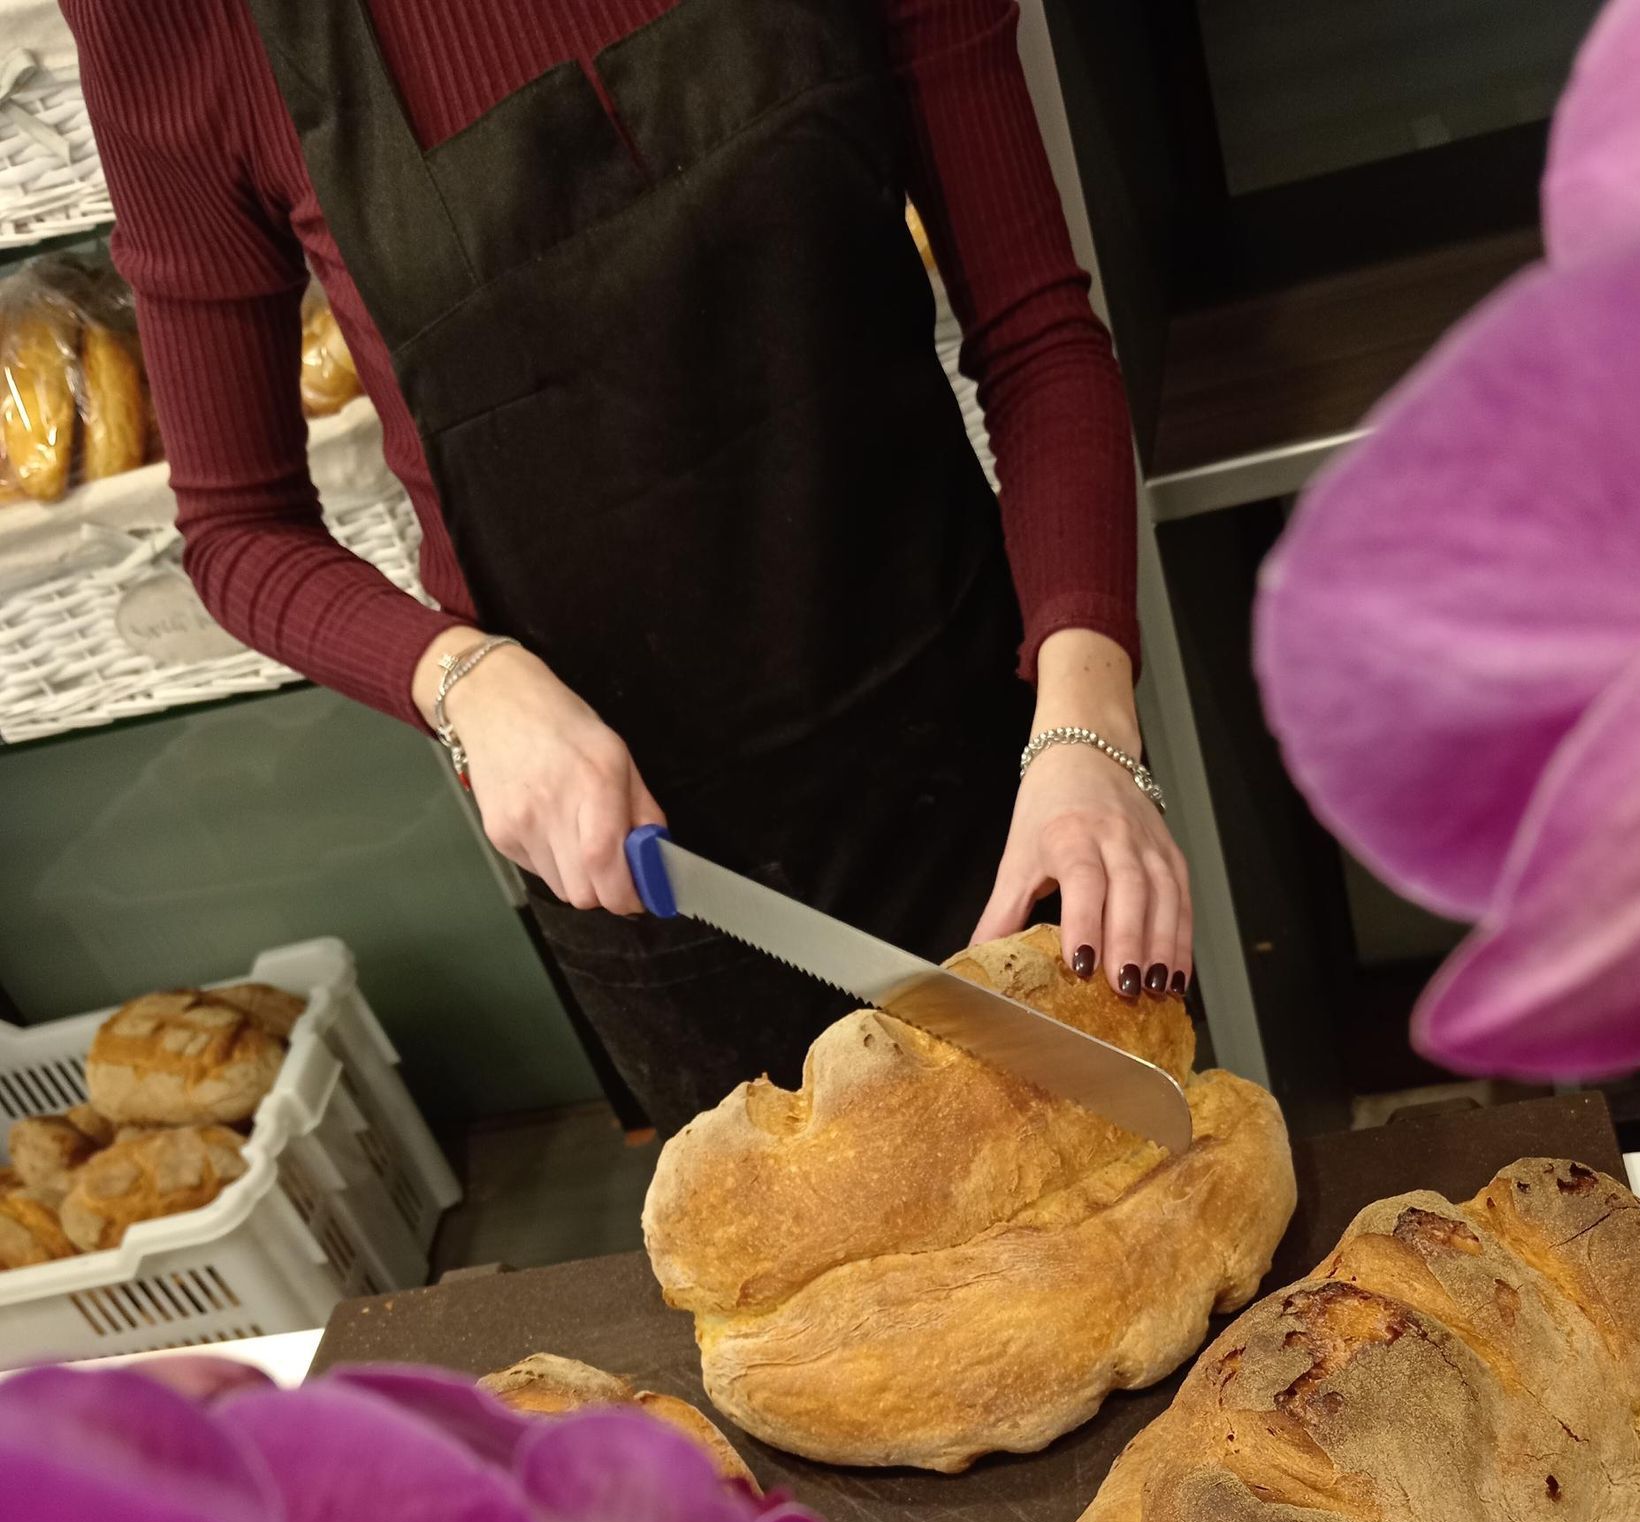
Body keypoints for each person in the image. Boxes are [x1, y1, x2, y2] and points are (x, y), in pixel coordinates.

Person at [63, 0, 1194, 1135]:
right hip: (649, 872)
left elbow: (1036, 333)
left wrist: (1088, 729)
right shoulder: (180, 22)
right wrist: (462, 679)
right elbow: (236, 530)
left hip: (1001, 786)